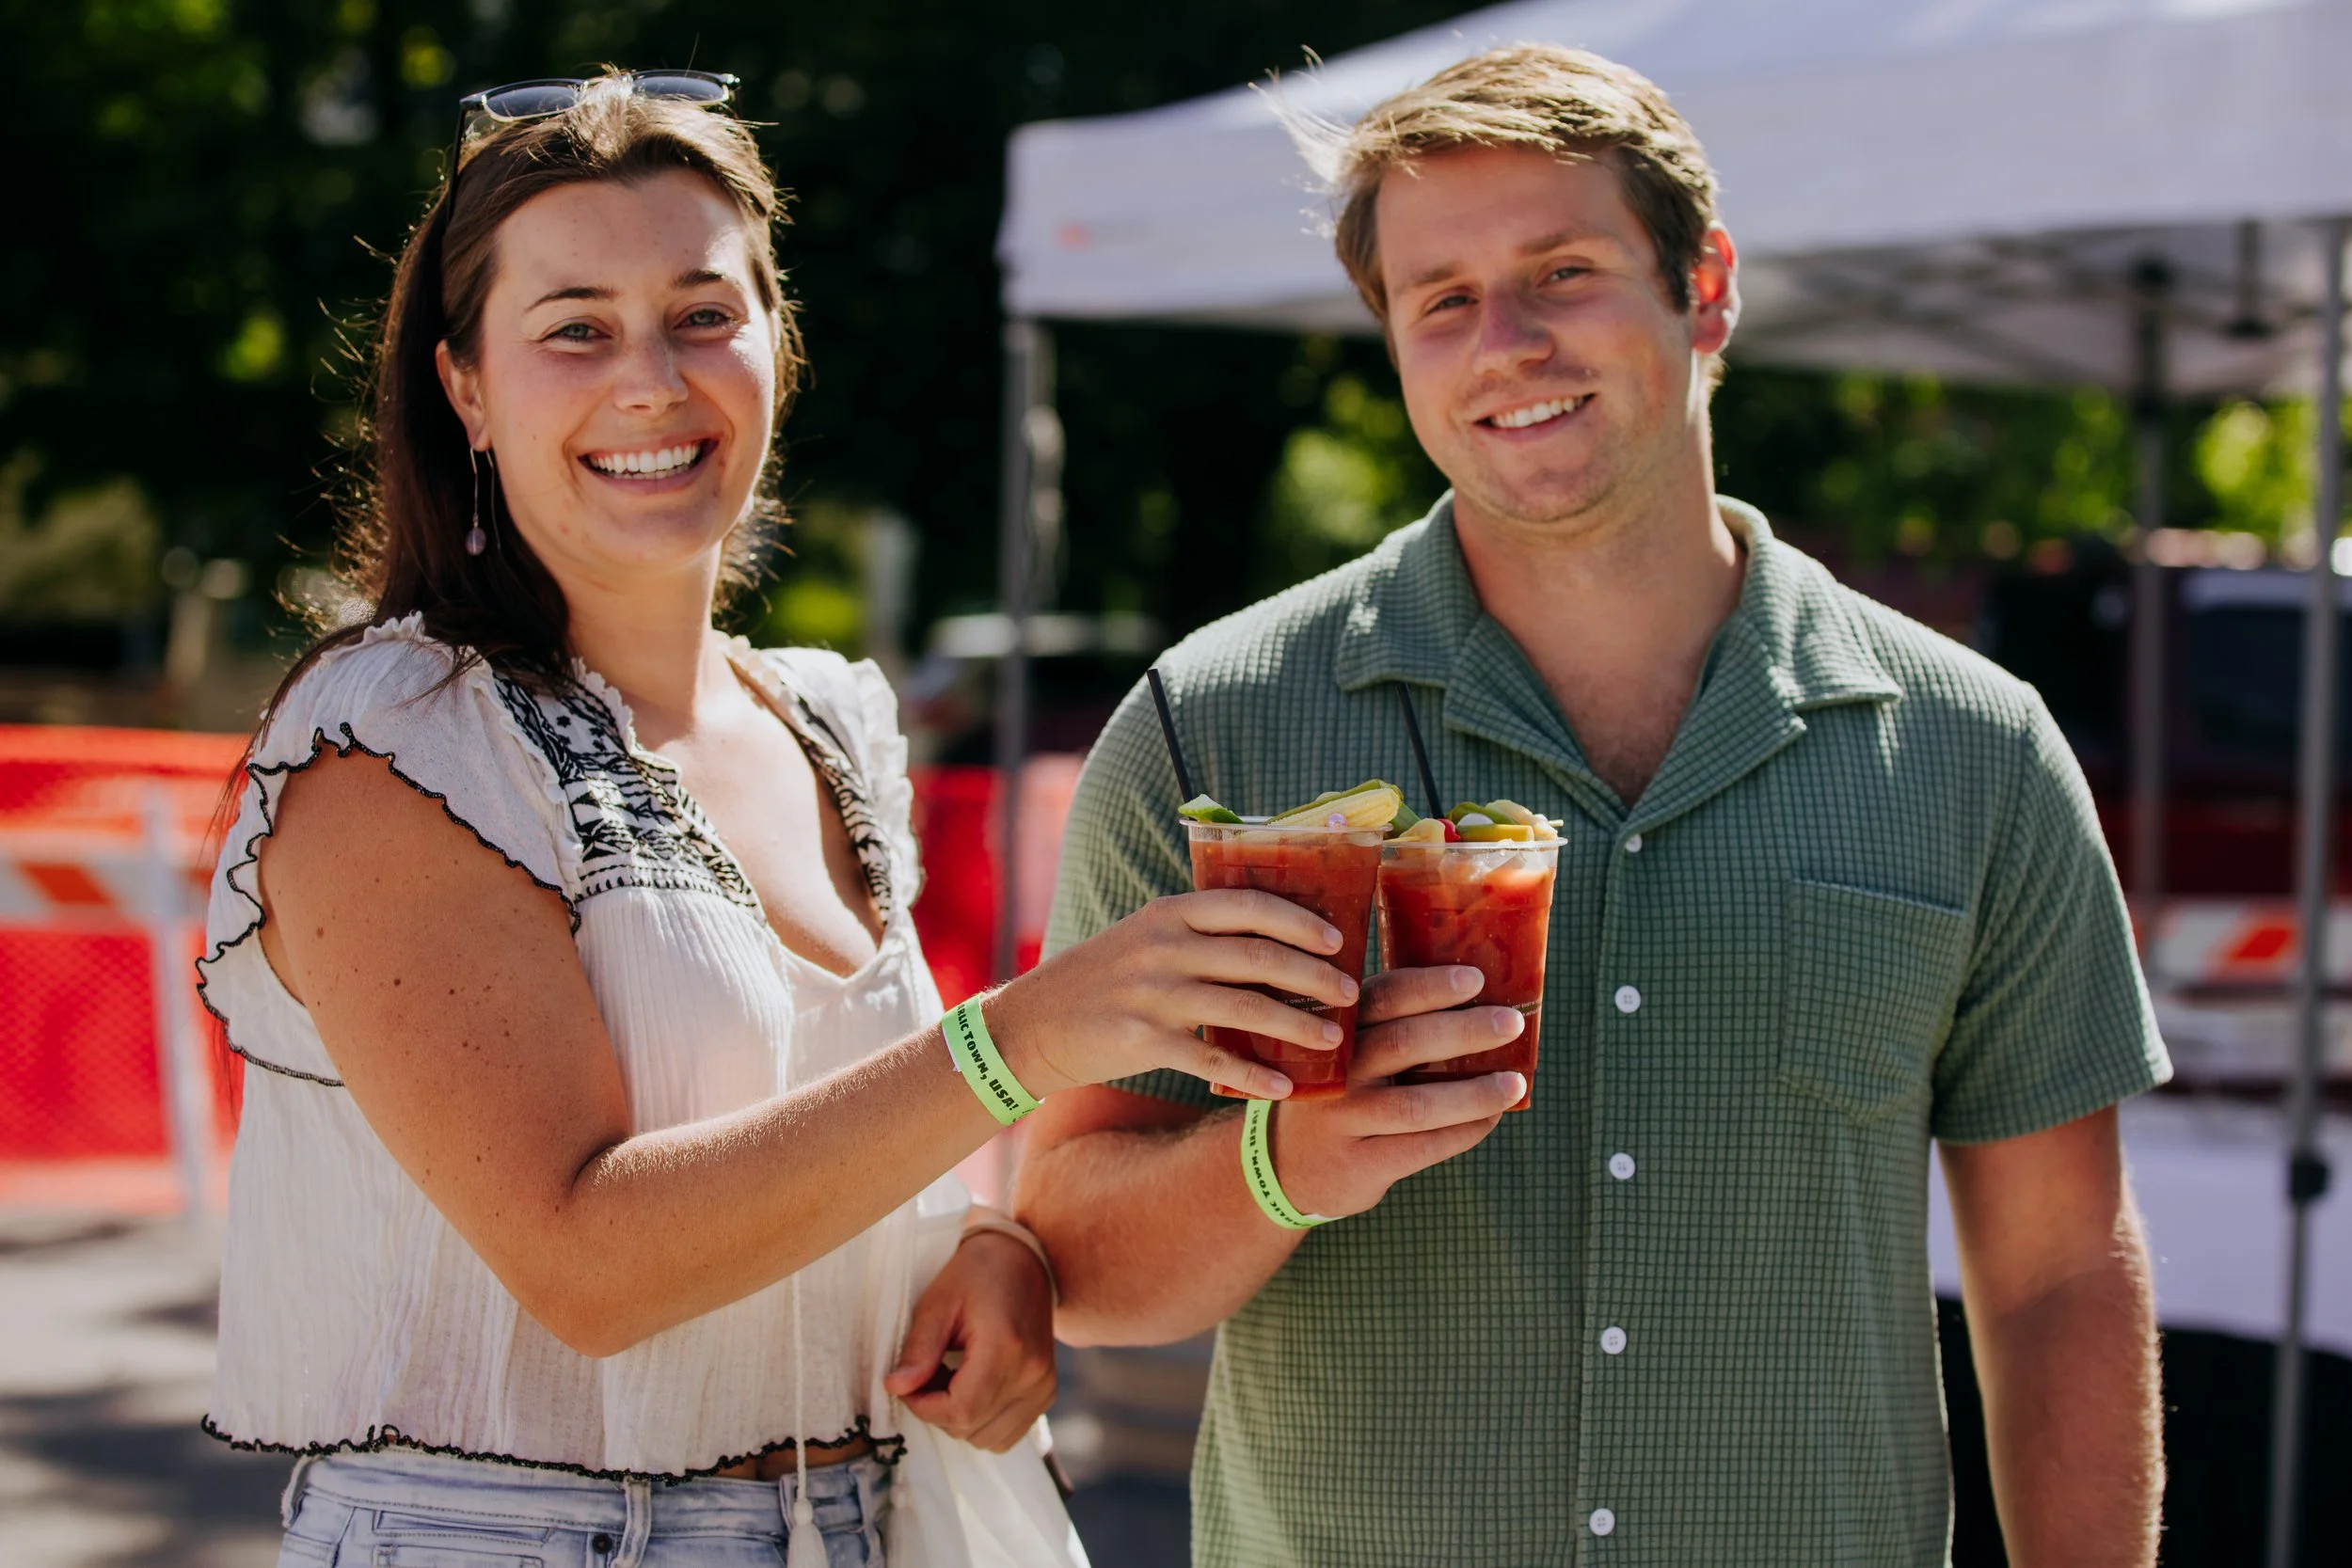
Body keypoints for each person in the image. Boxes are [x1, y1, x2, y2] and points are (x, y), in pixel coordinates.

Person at [1019, 44, 2170, 1568]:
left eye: (1563, 273)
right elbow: (1074, 1261)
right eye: (1442, 299)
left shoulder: (1977, 752)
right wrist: (1280, 1165)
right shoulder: (1205, 730)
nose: (1506, 342)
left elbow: (2055, 1277)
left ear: (1707, 289)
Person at [198, 72, 1362, 1568]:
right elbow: (585, 1264)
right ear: (466, 388)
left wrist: (987, 1252)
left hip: (851, 1523)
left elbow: (843, 1149)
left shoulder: (827, 720)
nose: (651, 381)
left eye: (702, 313)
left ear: (775, 348)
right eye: (574, 329)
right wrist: (1027, 1039)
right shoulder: (397, 738)